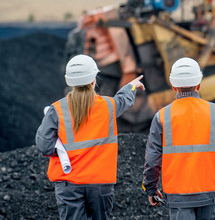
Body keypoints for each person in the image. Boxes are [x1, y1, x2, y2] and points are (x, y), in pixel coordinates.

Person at [35, 54, 145, 220]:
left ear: (69, 82)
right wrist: (132, 86)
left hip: (68, 183)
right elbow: (124, 100)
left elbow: (44, 146)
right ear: (94, 80)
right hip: (100, 183)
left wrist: (63, 151)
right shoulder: (108, 106)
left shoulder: (56, 110)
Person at [142, 57, 215, 220]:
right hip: (209, 192)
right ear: (199, 84)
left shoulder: (162, 116)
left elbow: (152, 159)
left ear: (173, 86)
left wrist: (151, 188)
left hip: (178, 194)